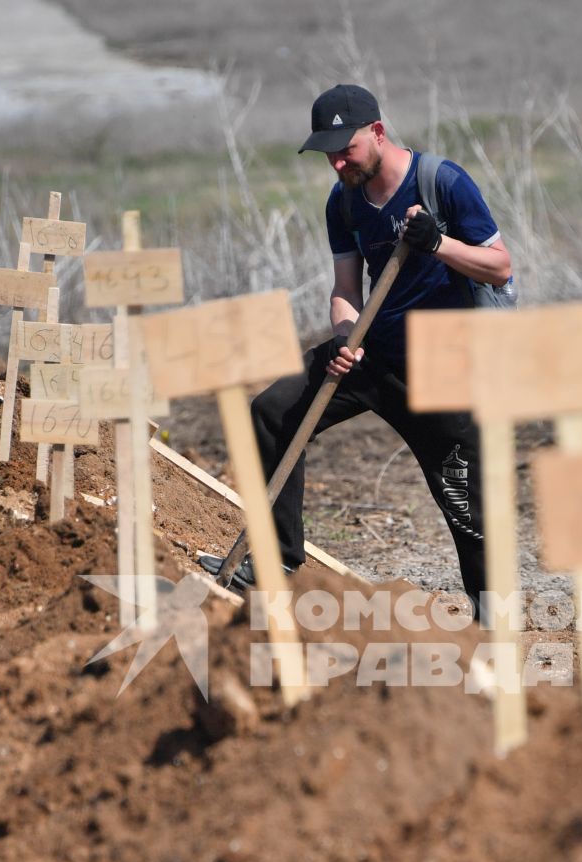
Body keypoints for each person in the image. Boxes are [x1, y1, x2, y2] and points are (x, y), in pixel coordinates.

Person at [201, 84, 513, 609]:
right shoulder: (343, 202)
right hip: (375, 352)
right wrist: (347, 337)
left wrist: (437, 244)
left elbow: (500, 266)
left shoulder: (442, 180)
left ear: (377, 133)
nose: (338, 161)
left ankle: (493, 610)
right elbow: (346, 291)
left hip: (445, 364)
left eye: (346, 148)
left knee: (463, 495)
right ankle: (277, 559)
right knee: (274, 411)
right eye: (329, 153)